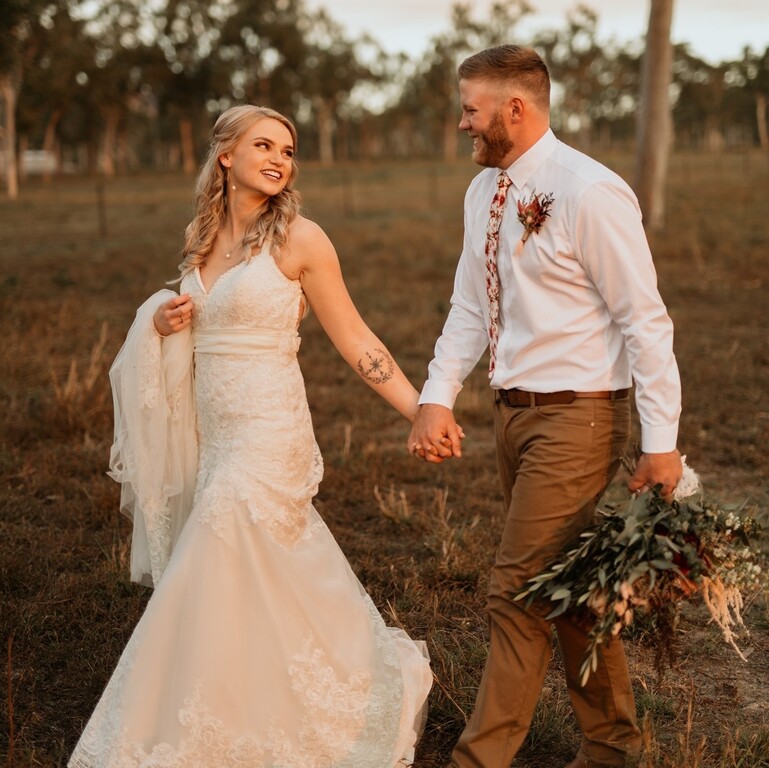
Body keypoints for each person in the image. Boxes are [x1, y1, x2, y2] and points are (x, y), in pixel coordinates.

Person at [69, 104, 432, 768]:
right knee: (254, 570)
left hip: (269, 429)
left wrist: (421, 409)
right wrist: (162, 324)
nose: (279, 159)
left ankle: (206, 722)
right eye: (263, 145)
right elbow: (186, 333)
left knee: (224, 534)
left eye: (288, 151)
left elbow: (354, 338)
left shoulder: (302, 239)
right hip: (217, 434)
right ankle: (245, 705)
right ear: (225, 156)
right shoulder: (200, 243)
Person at [408, 45, 683, 768]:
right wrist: (437, 397)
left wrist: (661, 444)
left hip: (580, 418)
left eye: (471, 109)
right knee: (570, 595)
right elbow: (469, 306)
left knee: (514, 589)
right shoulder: (482, 194)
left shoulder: (588, 191)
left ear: (514, 108)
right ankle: (614, 747)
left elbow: (644, 321)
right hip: (512, 418)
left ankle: (480, 759)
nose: (463, 122)